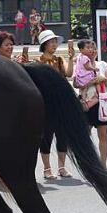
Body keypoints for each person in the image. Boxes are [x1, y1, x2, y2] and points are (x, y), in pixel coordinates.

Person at [35, 30, 74, 180]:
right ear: (44, 44)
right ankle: (47, 168)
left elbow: (69, 73)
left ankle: (62, 167)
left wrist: (71, 58)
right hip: (46, 103)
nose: (54, 44)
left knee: (62, 136)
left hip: (61, 102)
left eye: (55, 42)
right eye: (51, 42)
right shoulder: (38, 62)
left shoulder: (59, 60)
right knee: (46, 136)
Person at [73, 39, 107, 164]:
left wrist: (103, 79)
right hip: (86, 103)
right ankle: (88, 163)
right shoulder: (78, 64)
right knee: (85, 135)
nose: (92, 50)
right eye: (89, 48)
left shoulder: (102, 65)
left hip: (102, 103)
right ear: (82, 50)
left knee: (103, 136)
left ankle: (103, 165)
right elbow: (75, 84)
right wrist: (90, 82)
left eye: (94, 48)